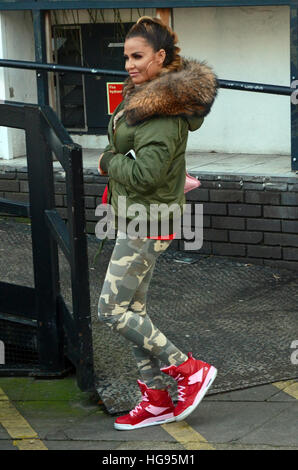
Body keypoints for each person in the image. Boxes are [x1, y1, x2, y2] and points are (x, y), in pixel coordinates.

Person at [97, 16, 218, 431]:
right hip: (140, 214)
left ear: (160, 56)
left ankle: (188, 369)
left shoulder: (163, 109)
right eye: (126, 56)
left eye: (138, 56)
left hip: (148, 220)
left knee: (111, 311)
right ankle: (154, 400)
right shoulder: (144, 94)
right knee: (134, 310)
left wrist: (108, 162)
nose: (129, 64)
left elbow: (146, 173)